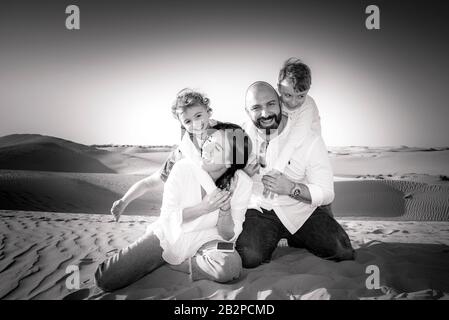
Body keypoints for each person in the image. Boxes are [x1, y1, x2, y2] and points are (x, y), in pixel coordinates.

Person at [95, 123, 253, 291]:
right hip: (172, 235)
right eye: (209, 140)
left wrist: (225, 210)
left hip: (209, 240)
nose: (207, 148)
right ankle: (167, 257)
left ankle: (177, 264)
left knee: (231, 265)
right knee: (106, 279)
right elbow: (168, 218)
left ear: (230, 162)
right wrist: (203, 208)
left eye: (218, 148)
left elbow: (229, 235)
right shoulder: (182, 168)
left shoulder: (242, 183)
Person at [236, 81, 355, 269]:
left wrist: (292, 188)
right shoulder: (239, 139)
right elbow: (222, 177)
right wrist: (241, 173)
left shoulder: (309, 140)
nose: (265, 113)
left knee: (343, 252)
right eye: (256, 108)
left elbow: (326, 193)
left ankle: (297, 238)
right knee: (248, 257)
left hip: (301, 210)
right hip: (259, 212)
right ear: (247, 111)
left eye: (270, 104)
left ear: (280, 103)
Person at [110, 88, 221, 221]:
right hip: (198, 212)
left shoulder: (227, 135)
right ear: (182, 124)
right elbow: (149, 182)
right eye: (187, 121)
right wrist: (124, 201)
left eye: (198, 116)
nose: (195, 123)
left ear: (209, 112)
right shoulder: (182, 153)